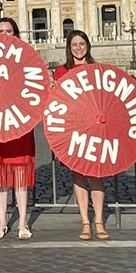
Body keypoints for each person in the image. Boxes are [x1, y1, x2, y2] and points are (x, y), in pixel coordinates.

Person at [0, 17, 35, 240]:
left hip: (19, 121)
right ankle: (2, 222)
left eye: (9, 31)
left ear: (16, 35)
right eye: (1, 30)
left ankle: (23, 223)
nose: (5, 34)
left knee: (20, 173)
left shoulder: (27, 59)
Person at [54, 30, 108, 240]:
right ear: (69, 47)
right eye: (74, 44)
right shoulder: (60, 72)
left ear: (88, 45)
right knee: (78, 175)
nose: (78, 48)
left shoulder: (97, 69)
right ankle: (85, 221)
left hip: (94, 128)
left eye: (82, 43)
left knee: (96, 174)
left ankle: (99, 220)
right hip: (72, 129)